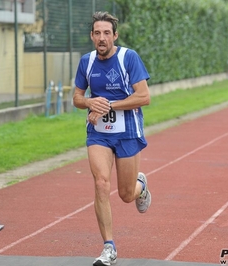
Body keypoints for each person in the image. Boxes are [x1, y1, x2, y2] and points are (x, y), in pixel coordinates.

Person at [72, 11, 152, 266]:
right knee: (101, 184)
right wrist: (89, 102)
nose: (102, 38)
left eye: (107, 33)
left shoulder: (129, 58)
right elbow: (76, 98)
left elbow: (144, 97)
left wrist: (108, 106)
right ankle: (109, 247)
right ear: (92, 36)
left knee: (126, 195)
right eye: (98, 33)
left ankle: (141, 186)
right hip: (99, 134)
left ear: (115, 35)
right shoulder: (87, 62)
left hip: (128, 130)